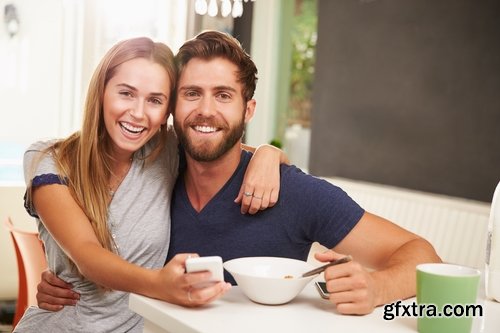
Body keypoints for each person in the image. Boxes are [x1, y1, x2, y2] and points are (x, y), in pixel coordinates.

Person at [37, 31, 441, 316]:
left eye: (224, 96)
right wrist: (66, 277)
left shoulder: (293, 193)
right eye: (192, 93)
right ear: (174, 108)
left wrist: (377, 289)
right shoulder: (160, 171)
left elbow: (423, 255)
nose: (206, 111)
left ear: (248, 111)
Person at [14, 36, 286, 332]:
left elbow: (226, 148)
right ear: (101, 92)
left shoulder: (166, 152)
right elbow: (87, 255)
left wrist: (268, 154)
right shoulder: (48, 160)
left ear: (167, 112)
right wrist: (161, 284)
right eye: (126, 94)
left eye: (155, 100)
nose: (139, 113)